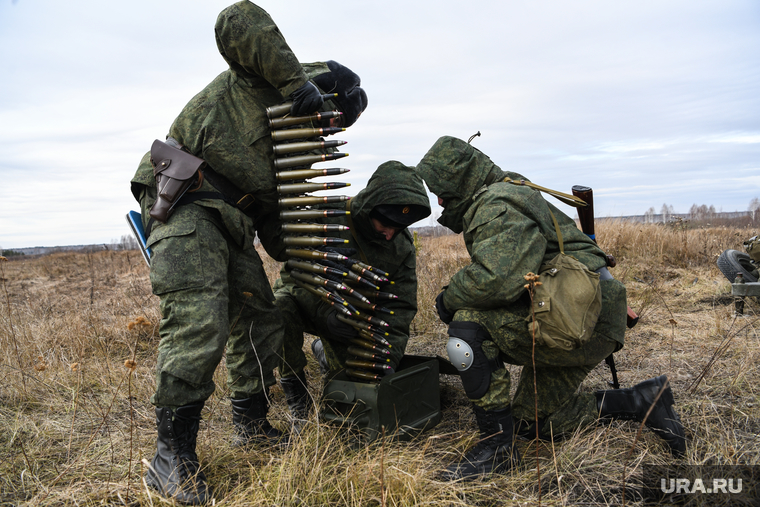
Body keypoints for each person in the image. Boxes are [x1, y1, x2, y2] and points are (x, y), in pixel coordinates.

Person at [128, 2, 367, 504]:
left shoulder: (297, 145)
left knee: (260, 317)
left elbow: (278, 227)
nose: (327, 130)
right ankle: (170, 457)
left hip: (235, 219)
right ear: (322, 90)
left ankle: (251, 423)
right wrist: (296, 85)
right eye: (331, 116)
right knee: (201, 318)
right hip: (188, 196)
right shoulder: (262, 75)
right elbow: (235, 18)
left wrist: (325, 264)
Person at [414, 135, 686, 481]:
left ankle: (496, 450)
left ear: (461, 181)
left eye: (442, 188)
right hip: (582, 317)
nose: (439, 199)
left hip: (576, 320)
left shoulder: (496, 205)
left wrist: (447, 298)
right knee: (534, 424)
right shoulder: (510, 189)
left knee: (468, 327)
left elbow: (498, 279)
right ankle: (641, 400)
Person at [272, 161, 431, 426]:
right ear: (370, 206)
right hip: (308, 306)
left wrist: (388, 357)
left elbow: (401, 307)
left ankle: (324, 352)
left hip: (353, 320)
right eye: (386, 222)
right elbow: (295, 276)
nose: (390, 234)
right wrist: (326, 314)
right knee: (278, 311)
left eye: (399, 227)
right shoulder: (328, 217)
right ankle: (297, 396)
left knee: (353, 380)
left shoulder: (401, 248)